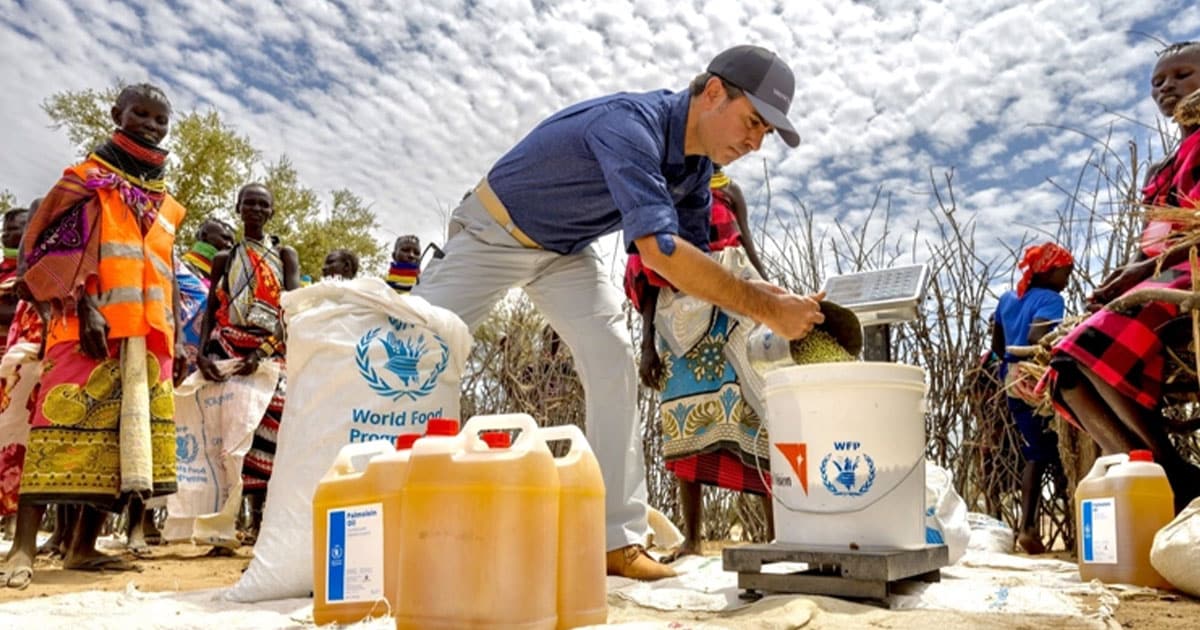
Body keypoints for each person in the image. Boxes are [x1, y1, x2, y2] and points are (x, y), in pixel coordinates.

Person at [414, 45, 824, 580]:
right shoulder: (629, 126)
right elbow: (660, 251)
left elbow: (695, 270)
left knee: (614, 362)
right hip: (495, 231)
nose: (754, 142)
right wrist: (769, 309)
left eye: (765, 133)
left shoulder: (696, 172)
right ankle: (373, 512)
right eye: (753, 121)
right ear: (715, 92)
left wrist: (775, 296)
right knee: (414, 349)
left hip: (565, 253)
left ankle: (617, 542)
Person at [0, 84, 186, 588]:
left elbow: (164, 268)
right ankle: (22, 550)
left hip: (149, 337)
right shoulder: (87, 181)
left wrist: (179, 336)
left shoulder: (167, 203)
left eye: (159, 119)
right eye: (139, 114)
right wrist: (86, 308)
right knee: (55, 430)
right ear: (116, 114)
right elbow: (55, 253)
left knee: (123, 448)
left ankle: (83, 547)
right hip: (89, 327)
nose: (150, 125)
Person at [1045, 41, 1200, 514]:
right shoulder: (1163, 167)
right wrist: (1125, 272)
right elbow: (1151, 236)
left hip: (1189, 272)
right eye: (1158, 81)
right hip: (1158, 272)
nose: (1168, 86)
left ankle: (1169, 470)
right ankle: (1144, 462)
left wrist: (1142, 271)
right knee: (1063, 370)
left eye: (1182, 74)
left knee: (1091, 343)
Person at [626, 164, 774, 560]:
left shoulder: (730, 191)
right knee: (683, 423)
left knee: (754, 413)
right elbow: (649, 268)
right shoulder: (665, 190)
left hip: (731, 313)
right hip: (677, 323)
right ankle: (693, 539)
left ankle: (778, 537)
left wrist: (776, 302)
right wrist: (646, 346)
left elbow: (748, 250)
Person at [197, 183, 300, 545]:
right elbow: (211, 310)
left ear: (271, 212)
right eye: (249, 203)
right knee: (226, 437)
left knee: (265, 434)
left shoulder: (283, 255)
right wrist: (202, 352)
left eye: (262, 204)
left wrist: (263, 352)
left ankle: (260, 524)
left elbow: (291, 309)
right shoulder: (224, 259)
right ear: (238, 207)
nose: (255, 209)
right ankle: (221, 525)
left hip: (268, 354)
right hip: (226, 350)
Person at [991, 242, 1073, 554]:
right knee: (1056, 452)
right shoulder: (1052, 299)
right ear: (1050, 272)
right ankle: (1041, 528)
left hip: (1011, 380)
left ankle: (1028, 527)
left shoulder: (1007, 299)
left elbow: (999, 345)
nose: (1067, 280)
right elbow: (1039, 338)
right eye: (1065, 274)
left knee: (1035, 452)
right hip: (1036, 381)